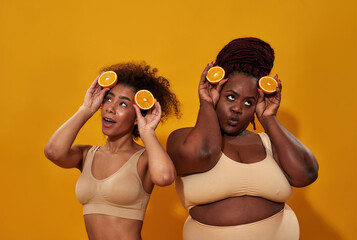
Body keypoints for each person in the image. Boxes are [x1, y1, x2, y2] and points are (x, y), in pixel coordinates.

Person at [167, 37, 319, 240]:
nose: (238, 108)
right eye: (231, 96)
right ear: (215, 92)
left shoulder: (268, 142)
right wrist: (206, 104)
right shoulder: (183, 138)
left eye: (249, 102)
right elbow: (204, 154)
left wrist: (269, 118)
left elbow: (306, 174)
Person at [44, 62, 180, 240]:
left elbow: (165, 177)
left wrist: (147, 131)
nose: (110, 108)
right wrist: (86, 110)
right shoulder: (87, 155)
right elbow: (53, 152)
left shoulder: (144, 159)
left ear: (137, 117)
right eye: (109, 99)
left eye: (123, 104)